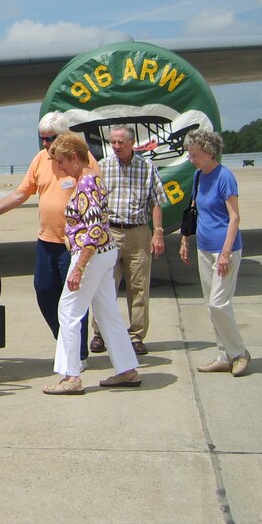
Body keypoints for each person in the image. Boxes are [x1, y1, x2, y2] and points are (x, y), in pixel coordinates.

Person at [0, 112, 97, 361]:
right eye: (42, 138)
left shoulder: (83, 160)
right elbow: (21, 193)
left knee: (72, 301)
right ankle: (63, 339)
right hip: (46, 241)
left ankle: (78, 354)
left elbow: (93, 197)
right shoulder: (40, 160)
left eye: (50, 139)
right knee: (44, 291)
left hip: (72, 244)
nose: (45, 144)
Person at [43, 133, 140, 394]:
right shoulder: (91, 178)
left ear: (74, 158)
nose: (59, 167)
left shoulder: (86, 183)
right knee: (107, 311)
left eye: (61, 161)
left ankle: (71, 375)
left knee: (68, 311)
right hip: (104, 252)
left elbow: (94, 229)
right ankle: (127, 368)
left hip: (92, 254)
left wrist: (79, 266)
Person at [90, 125, 168, 356]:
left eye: (120, 142)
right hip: (110, 232)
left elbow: (156, 202)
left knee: (139, 287)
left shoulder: (147, 168)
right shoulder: (103, 167)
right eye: (113, 142)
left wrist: (158, 233)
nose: (116, 147)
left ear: (132, 143)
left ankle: (136, 335)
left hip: (138, 232)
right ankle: (100, 333)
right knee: (105, 285)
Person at [179, 130, 250, 377]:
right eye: (189, 154)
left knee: (219, 303)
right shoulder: (199, 176)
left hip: (224, 249)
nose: (191, 159)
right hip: (204, 248)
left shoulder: (225, 177)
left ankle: (240, 353)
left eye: (195, 155)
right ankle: (224, 355)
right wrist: (185, 240)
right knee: (211, 305)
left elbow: (235, 217)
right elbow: (193, 211)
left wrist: (226, 253)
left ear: (210, 153)